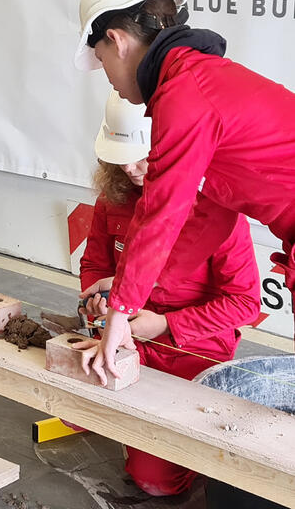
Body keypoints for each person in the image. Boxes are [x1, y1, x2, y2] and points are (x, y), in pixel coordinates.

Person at [74, 0, 295, 383]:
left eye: (102, 61)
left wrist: (119, 313)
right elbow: (208, 217)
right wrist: (128, 295)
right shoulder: (202, 80)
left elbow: (162, 212)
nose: (109, 78)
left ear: (117, 41)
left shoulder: (184, 94)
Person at [78, 89, 259, 496]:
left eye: (141, 157)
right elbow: (94, 265)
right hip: (124, 335)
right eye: (121, 158)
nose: (130, 168)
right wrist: (98, 297)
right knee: (71, 401)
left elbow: (246, 303)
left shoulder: (218, 212)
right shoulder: (114, 199)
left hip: (193, 347)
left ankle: (178, 450)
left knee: (156, 482)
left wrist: (164, 324)